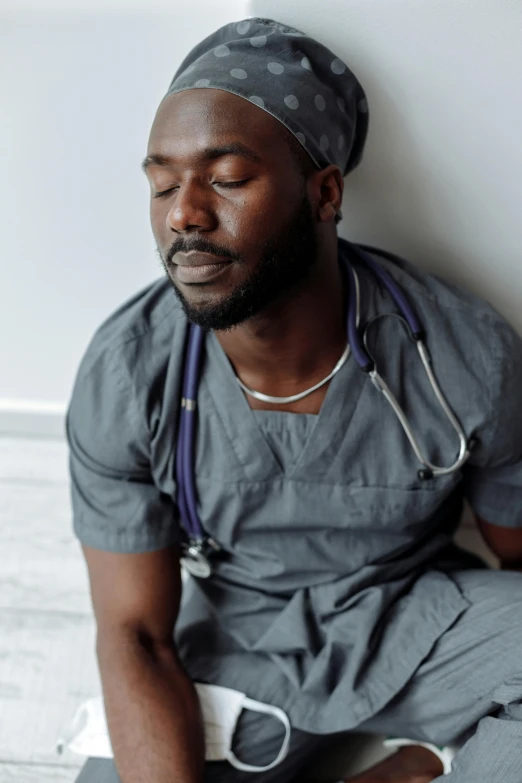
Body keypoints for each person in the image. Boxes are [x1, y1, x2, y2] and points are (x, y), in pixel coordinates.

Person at [67, 17, 522, 783]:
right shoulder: (128, 374)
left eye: (227, 177)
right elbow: (136, 634)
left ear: (325, 191)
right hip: (240, 639)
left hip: (417, 618)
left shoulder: (462, 353)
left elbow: (516, 556)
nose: (183, 213)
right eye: (163, 183)